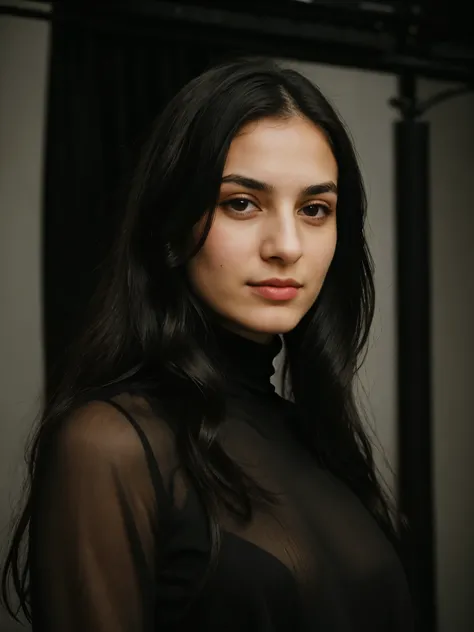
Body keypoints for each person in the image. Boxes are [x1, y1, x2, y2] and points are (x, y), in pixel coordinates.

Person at [1, 58, 414, 631]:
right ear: (172, 224)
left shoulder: (319, 440)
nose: (287, 245)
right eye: (241, 203)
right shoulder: (112, 444)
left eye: (315, 209)